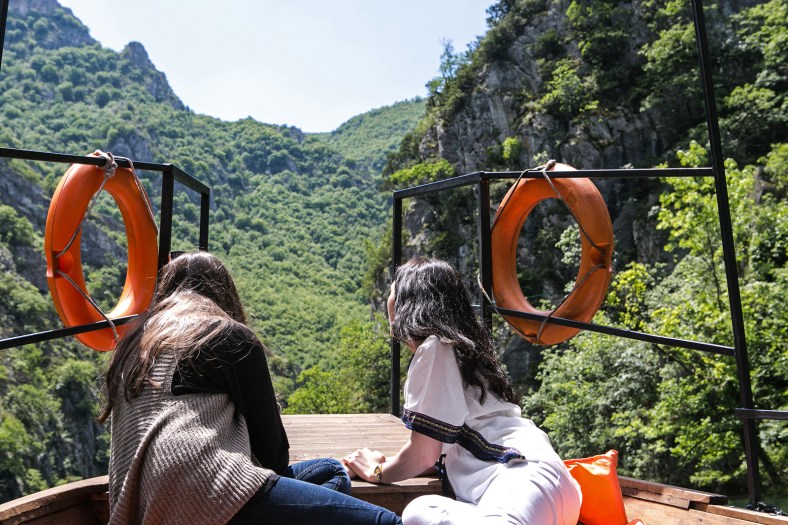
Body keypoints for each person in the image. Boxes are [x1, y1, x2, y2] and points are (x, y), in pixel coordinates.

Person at [100, 251, 402, 525]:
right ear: (225, 293)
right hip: (212, 492)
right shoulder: (226, 335)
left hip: (141, 507)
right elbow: (274, 458)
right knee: (386, 522)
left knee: (332, 471)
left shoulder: (132, 346)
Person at [344, 257, 582, 525]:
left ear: (407, 302)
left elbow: (424, 452)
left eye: (392, 292)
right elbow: (442, 447)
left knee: (418, 512)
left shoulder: (435, 348)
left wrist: (377, 471)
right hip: (554, 482)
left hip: (520, 484)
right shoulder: (466, 348)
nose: (389, 300)